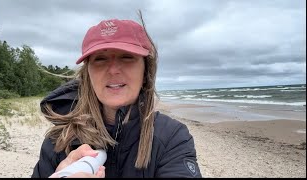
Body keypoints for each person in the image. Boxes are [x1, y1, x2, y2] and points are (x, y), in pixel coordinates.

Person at [31, 13, 202, 178]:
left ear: (146, 71)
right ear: (87, 74)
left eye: (127, 57)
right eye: (100, 59)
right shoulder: (59, 140)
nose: (113, 69)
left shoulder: (172, 137)